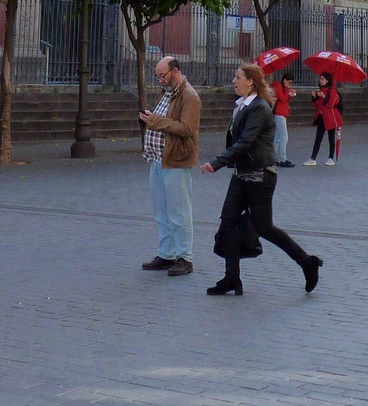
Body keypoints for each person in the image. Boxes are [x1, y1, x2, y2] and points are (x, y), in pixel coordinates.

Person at [202, 64, 321, 297]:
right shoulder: (243, 105)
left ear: (251, 81)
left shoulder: (259, 107)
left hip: (260, 175)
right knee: (228, 222)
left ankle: (307, 262)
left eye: (238, 77)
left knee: (264, 227)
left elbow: (245, 141)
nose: (233, 81)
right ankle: (232, 278)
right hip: (242, 173)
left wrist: (217, 162)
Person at [137, 56, 201, 278]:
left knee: (179, 211)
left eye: (162, 75)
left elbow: (186, 128)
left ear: (175, 71)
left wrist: (154, 121)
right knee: (161, 211)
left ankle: (185, 257)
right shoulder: (166, 93)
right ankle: (166, 254)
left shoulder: (189, 96)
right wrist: (147, 119)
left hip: (176, 160)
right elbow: (162, 120)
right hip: (158, 159)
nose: (160, 80)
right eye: (157, 76)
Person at [306, 73, 342, 165]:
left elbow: (331, 104)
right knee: (318, 138)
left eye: (322, 79)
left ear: (327, 80)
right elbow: (316, 105)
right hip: (321, 117)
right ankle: (313, 158)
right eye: (320, 79)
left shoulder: (332, 91)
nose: (320, 81)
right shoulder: (320, 90)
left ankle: (331, 158)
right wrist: (314, 97)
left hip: (330, 118)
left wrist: (323, 96)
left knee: (331, 138)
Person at [271, 72, 297, 167]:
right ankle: (283, 159)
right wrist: (287, 89)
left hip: (282, 113)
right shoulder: (278, 86)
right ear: (284, 80)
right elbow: (282, 99)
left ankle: (273, 158)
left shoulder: (282, 87)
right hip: (279, 113)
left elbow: (285, 100)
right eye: (289, 82)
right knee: (284, 137)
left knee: (278, 138)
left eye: (291, 83)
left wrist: (289, 95)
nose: (289, 84)